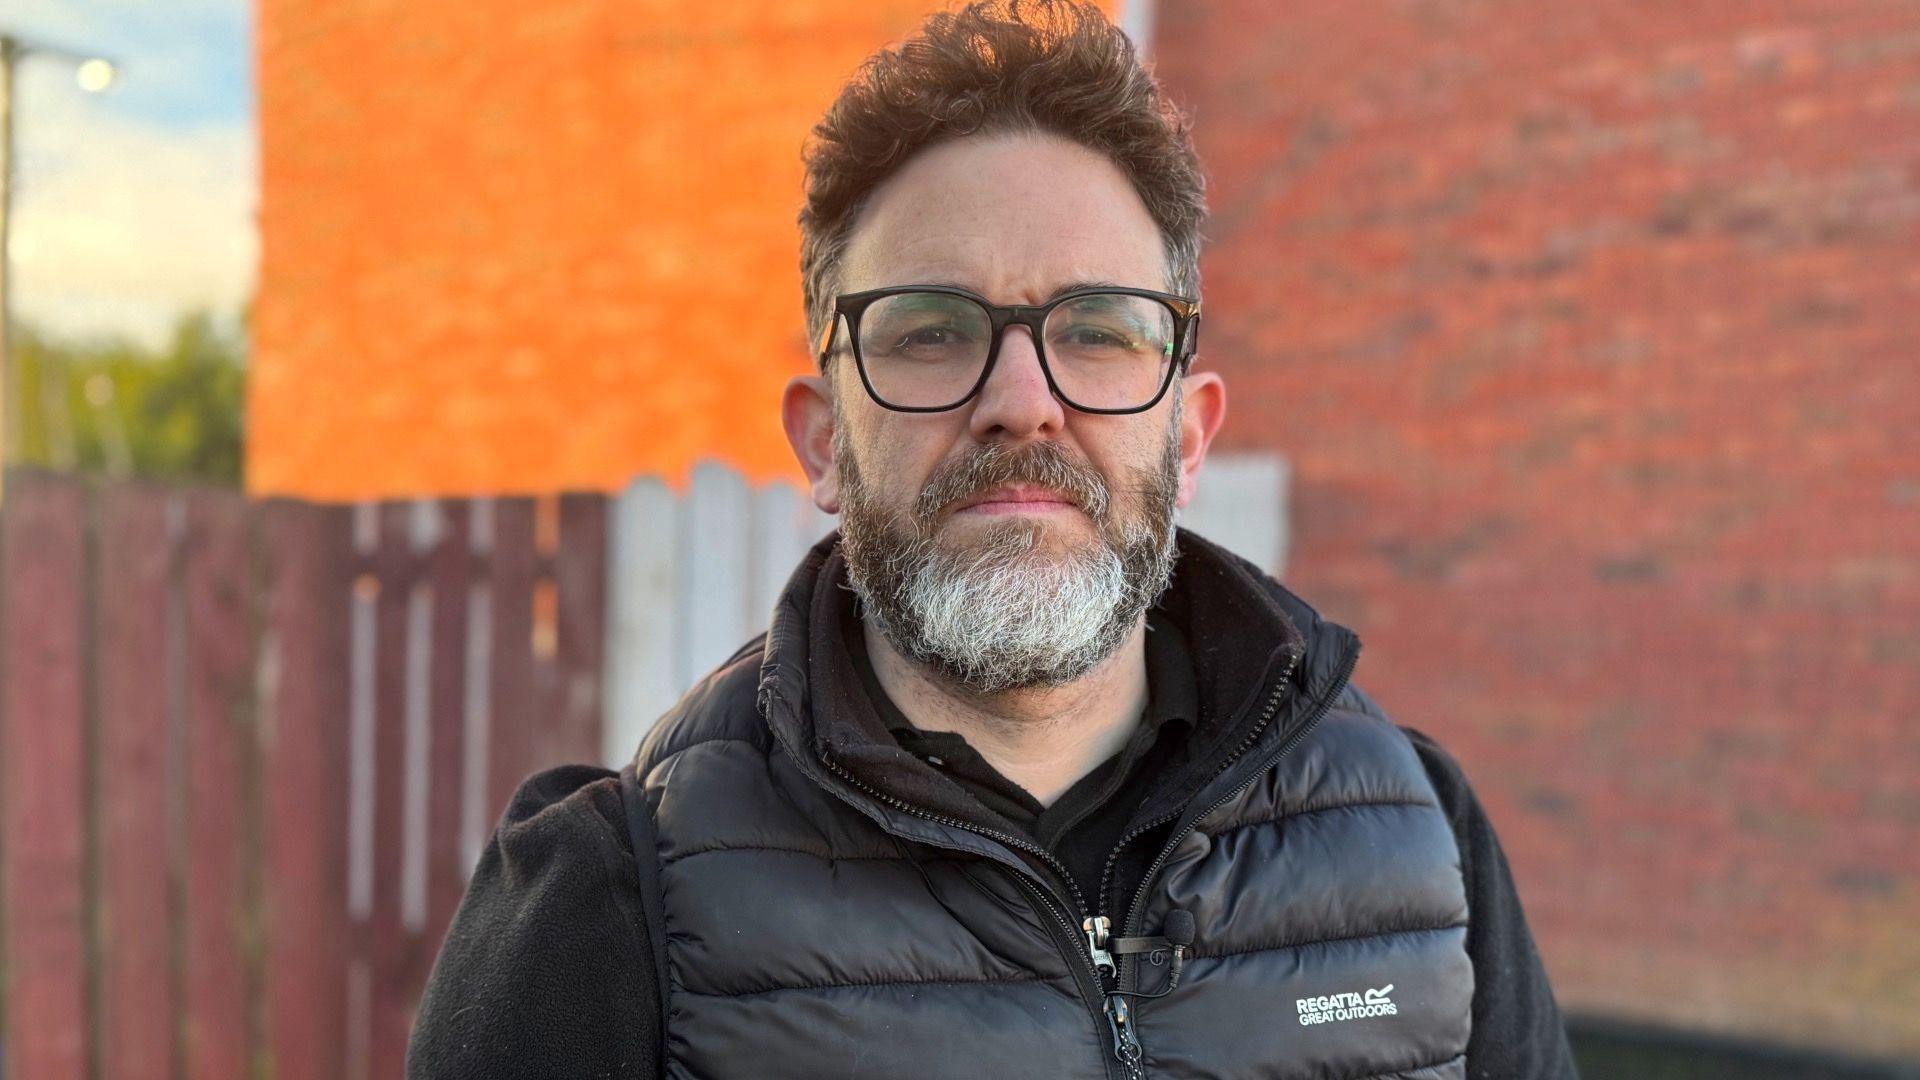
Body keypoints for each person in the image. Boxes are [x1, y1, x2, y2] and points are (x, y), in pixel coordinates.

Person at [406, 2, 1579, 1077]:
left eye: (1101, 330)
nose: (1022, 397)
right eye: (928, 330)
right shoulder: (606, 904)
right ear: (823, 443)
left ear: (1189, 431)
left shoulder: (1421, 842)